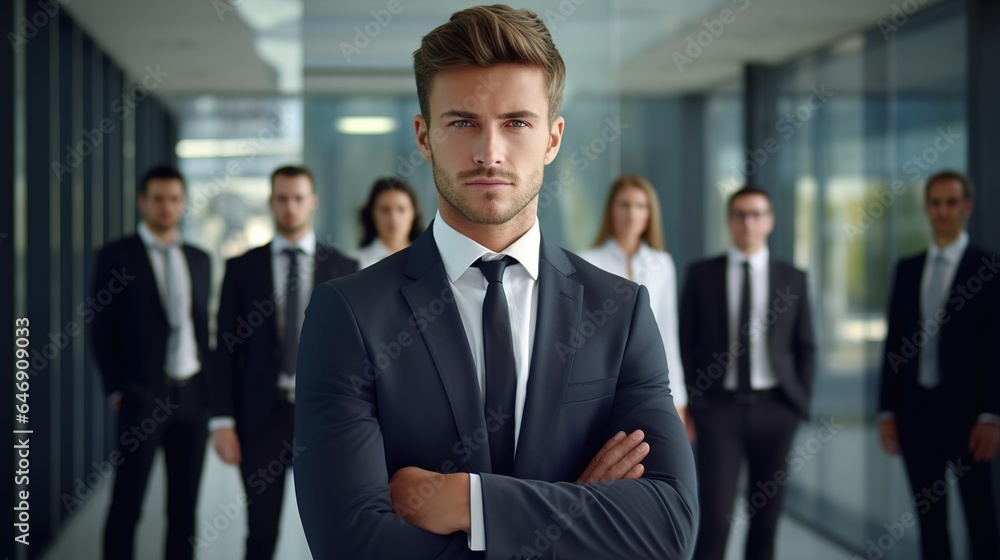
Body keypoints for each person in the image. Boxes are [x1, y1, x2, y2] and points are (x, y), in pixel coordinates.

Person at [294, 5, 697, 559]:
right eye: (462, 122)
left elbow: (669, 528)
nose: (490, 152)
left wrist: (469, 502)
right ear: (424, 136)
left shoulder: (620, 311)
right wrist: (575, 511)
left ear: (553, 138)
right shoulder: (348, 314)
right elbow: (351, 545)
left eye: (516, 122)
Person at [208, 165, 357, 560]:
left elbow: (356, 356)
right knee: (260, 533)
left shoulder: (343, 268)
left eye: (298, 198)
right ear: (271, 203)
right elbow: (223, 349)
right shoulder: (242, 268)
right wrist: (222, 421)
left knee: (336, 531)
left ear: (313, 202)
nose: (290, 207)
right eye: (282, 198)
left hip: (323, 418)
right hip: (261, 414)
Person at [679, 185, 814, 560]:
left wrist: (798, 404)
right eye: (739, 214)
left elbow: (806, 346)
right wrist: (697, 402)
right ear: (728, 220)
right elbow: (684, 342)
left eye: (756, 214)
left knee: (766, 521)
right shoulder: (702, 274)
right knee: (716, 520)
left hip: (776, 410)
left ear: (769, 221)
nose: (748, 222)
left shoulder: (793, 278)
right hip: (719, 413)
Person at [90, 164, 211, 560]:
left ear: (183, 203)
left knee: (184, 507)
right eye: (158, 199)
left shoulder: (199, 258)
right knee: (128, 503)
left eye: (174, 199)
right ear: (143, 201)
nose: (166, 207)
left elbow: (200, 326)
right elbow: (100, 329)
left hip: (191, 397)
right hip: (141, 396)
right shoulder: (116, 255)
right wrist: (116, 389)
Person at [878, 170, 1000, 560]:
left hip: (969, 419)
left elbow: (997, 349)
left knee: (981, 520)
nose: (943, 211)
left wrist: (991, 415)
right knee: (930, 524)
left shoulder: (989, 269)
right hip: (917, 414)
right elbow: (893, 344)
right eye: (935, 203)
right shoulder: (907, 269)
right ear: (927, 208)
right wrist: (887, 410)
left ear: (967, 207)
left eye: (951, 203)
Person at [580, 175, 693, 440]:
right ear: (611, 210)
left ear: (650, 214)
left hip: (650, 382)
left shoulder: (662, 263)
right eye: (624, 205)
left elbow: (668, 330)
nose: (632, 214)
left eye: (641, 206)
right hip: (602, 384)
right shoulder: (587, 260)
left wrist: (679, 397)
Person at [355, 175, 425, 269]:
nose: (394, 218)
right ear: (372, 213)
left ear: (414, 214)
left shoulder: (431, 263)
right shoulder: (353, 263)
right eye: (385, 210)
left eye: (401, 209)